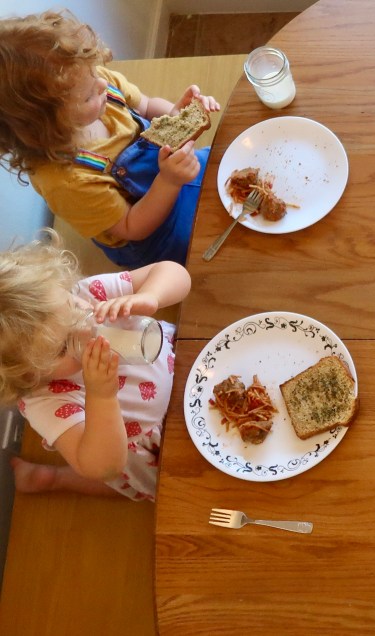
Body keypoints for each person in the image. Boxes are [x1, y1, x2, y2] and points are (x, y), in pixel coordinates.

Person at [0, 9, 221, 268]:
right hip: (151, 227)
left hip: (170, 173)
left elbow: (146, 105)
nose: (102, 85)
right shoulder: (66, 181)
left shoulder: (96, 83)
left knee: (223, 163)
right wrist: (169, 181)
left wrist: (175, 115)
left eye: (94, 73)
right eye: (87, 97)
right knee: (200, 247)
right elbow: (131, 226)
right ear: (46, 125)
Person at [0, 229, 191, 501]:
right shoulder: (45, 400)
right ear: (28, 376)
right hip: (154, 445)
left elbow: (175, 273)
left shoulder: (91, 294)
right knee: (128, 480)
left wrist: (151, 295)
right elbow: (103, 466)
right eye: (63, 347)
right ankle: (56, 479)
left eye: (74, 309)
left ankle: (51, 477)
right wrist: (101, 396)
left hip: (184, 362)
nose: (86, 331)